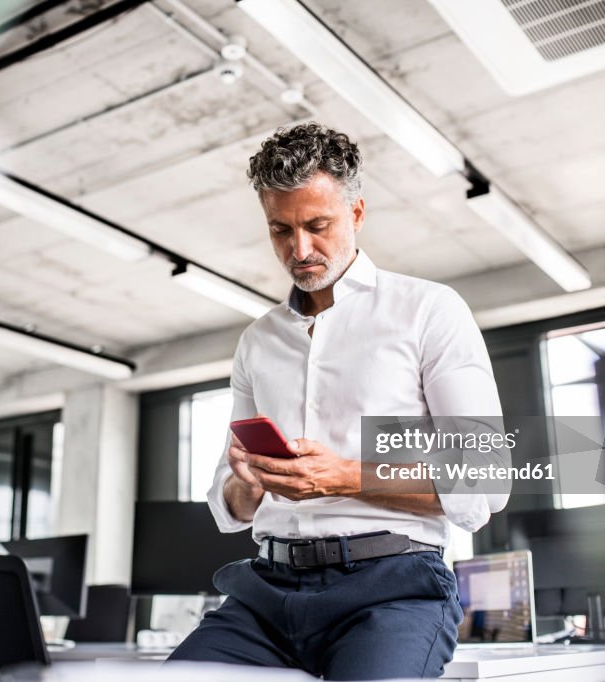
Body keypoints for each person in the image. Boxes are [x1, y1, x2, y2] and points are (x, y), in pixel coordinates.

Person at [167, 123, 509, 680]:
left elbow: (484, 481)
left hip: (392, 591)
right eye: (281, 229)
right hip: (265, 593)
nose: (299, 249)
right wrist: (247, 482)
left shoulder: (428, 311)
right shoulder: (258, 340)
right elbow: (228, 505)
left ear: (356, 214)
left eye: (317, 225)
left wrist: (345, 477)